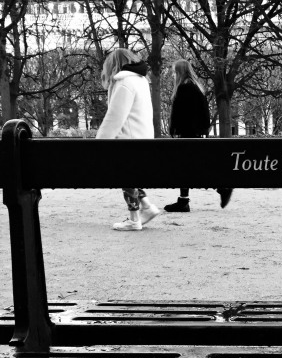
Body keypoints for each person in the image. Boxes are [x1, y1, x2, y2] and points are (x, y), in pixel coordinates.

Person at [96, 48, 162, 231]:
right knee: (129, 176)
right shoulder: (140, 80)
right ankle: (147, 207)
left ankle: (134, 219)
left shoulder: (124, 82)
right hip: (141, 136)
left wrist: (98, 143)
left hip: (128, 139)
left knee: (125, 176)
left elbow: (115, 118)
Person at [163, 59, 232, 212]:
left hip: (188, 133)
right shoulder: (195, 87)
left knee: (187, 167)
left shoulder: (184, 88)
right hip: (194, 133)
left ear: (179, 72)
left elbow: (180, 112)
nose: (174, 75)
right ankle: (188, 199)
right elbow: (202, 113)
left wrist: (174, 128)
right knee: (191, 166)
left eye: (175, 72)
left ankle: (219, 188)